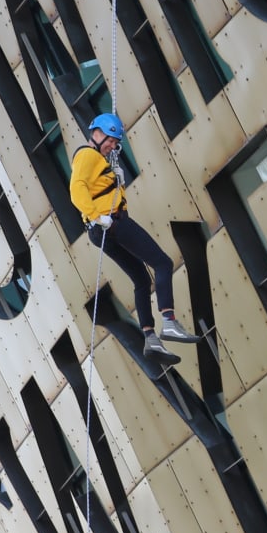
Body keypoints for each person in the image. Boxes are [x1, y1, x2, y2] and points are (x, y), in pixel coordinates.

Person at [71, 113, 191, 363]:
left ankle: (150, 338)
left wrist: (114, 178)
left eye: (115, 143)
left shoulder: (98, 160)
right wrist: (98, 216)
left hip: (101, 230)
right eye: (110, 140)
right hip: (112, 223)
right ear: (97, 134)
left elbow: (96, 188)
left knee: (141, 279)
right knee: (163, 263)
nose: (112, 146)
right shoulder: (88, 155)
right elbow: (76, 190)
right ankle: (169, 321)